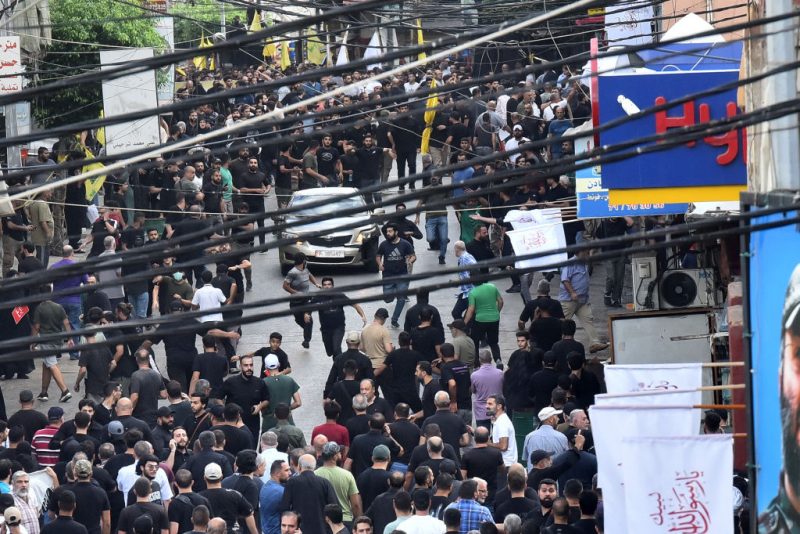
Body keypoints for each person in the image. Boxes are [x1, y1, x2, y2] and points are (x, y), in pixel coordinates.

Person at [558, 250, 608, 354]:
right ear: (578, 253)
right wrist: (572, 292)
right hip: (569, 300)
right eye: (586, 253)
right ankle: (556, 345)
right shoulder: (570, 263)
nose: (588, 255)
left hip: (582, 300)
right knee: (562, 324)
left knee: (588, 320)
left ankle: (594, 343)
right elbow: (565, 280)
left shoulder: (584, 263)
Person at [32, 285, 74, 403]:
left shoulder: (39, 308)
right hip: (58, 340)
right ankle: (44, 392)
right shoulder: (59, 307)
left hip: (46, 341)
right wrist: (70, 338)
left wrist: (33, 341)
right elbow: (66, 323)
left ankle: (65, 391)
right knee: (47, 364)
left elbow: (36, 327)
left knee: (51, 364)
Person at [309, 277, 367, 358]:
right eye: (325, 285)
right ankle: (337, 360)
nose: (327, 286)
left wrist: (363, 316)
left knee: (337, 348)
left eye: (329, 284)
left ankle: (339, 366)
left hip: (338, 328)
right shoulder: (318, 297)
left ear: (332, 286)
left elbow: (355, 305)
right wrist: (307, 314)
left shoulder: (339, 296)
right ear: (322, 287)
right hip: (325, 329)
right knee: (330, 352)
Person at [279, 454, 338, 534]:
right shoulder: (325, 483)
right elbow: (334, 508)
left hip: (299, 529)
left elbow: (285, 507)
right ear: (314, 467)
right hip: (321, 529)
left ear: (299, 467)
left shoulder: (292, 482)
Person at [199, 463, 258, 534]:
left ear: (204, 478)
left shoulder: (199, 498)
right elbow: (249, 514)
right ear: (221, 477)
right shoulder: (235, 494)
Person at [376, 224, 416, 328]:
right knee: (387, 299)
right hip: (388, 276)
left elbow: (413, 256)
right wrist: (380, 264)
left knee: (401, 298)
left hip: (402, 275)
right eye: (387, 232)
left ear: (396, 232)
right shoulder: (384, 244)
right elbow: (378, 256)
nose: (388, 234)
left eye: (390, 231)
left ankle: (394, 319)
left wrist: (410, 262)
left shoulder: (405, 244)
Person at [315, 442, 362, 526]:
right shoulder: (347, 475)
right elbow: (355, 504)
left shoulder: (315, 474)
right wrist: (358, 521)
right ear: (334, 456)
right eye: (339, 453)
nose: (340, 454)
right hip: (345, 519)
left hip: (323, 520)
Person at [282, 253, 321, 349]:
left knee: (308, 320)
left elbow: (310, 275)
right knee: (299, 320)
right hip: (295, 302)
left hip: (307, 300)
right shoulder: (292, 272)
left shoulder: (305, 269)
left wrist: (316, 283)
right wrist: (296, 293)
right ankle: (307, 330)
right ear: (302, 261)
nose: (306, 262)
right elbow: (285, 286)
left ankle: (306, 341)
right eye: (305, 260)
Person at [460, 427, 504, 507]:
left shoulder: (467, 455)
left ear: (474, 438)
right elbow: (502, 469)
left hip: (474, 492)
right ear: (488, 438)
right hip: (491, 492)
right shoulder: (496, 453)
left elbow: (462, 476)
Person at [464, 281, 504, 366]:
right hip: (494, 319)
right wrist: (496, 312)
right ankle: (498, 360)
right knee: (493, 342)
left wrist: (464, 323)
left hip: (480, 320)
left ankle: (477, 364)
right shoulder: (492, 287)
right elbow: (500, 301)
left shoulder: (473, 292)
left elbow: (471, 310)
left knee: (475, 341)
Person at [523, 408, 569, 472]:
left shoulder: (529, 437)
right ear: (550, 419)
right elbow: (566, 458)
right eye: (556, 416)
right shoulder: (562, 437)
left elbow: (526, 459)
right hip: (554, 479)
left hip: (534, 479)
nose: (558, 419)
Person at [260, 460, 289, 534]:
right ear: (278, 474)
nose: (290, 473)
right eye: (286, 470)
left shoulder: (264, 486)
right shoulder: (280, 491)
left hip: (265, 529)